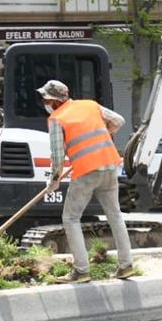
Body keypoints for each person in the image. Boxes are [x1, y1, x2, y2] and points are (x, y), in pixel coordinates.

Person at [39, 79, 136, 283]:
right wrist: (100, 136)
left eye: (45, 98)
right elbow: (118, 121)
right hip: (109, 165)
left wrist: (53, 181)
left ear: (53, 100)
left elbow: (57, 155)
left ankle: (81, 270)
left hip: (86, 171)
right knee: (115, 215)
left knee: (71, 218)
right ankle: (126, 265)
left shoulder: (57, 118)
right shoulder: (90, 105)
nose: (44, 103)